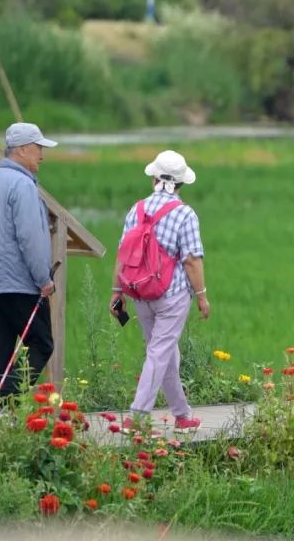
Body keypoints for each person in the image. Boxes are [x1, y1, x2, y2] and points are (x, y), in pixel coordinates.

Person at [110, 150, 209, 431]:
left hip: (140, 292)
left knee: (165, 352)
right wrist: (201, 296)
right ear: (181, 183)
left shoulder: (137, 209)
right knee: (160, 351)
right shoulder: (185, 214)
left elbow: (123, 253)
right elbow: (191, 260)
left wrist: (117, 291)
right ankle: (137, 416)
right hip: (172, 295)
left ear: (154, 177)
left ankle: (182, 415)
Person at [0, 122, 57, 397]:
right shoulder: (23, 185)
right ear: (23, 150)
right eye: (39, 148)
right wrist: (44, 279)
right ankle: (6, 400)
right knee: (41, 343)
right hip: (19, 284)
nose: (42, 155)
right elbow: (31, 237)